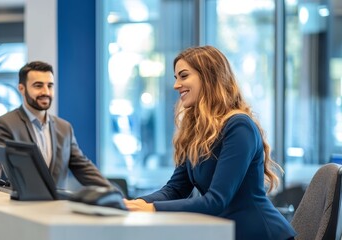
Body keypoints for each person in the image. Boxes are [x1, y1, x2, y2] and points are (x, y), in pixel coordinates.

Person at [123, 46, 296, 240]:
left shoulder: (239, 126)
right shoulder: (196, 131)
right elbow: (176, 189)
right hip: (226, 232)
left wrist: (152, 208)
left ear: (208, 77)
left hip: (262, 234)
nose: (176, 85)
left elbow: (216, 201)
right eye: (176, 78)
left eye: (184, 76)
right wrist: (132, 205)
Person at [0, 61, 111, 189]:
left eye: (50, 86)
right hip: (20, 206)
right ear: (22, 89)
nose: (46, 92)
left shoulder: (64, 128)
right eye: (38, 86)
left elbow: (83, 168)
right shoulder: (4, 124)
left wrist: (115, 195)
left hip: (57, 207)